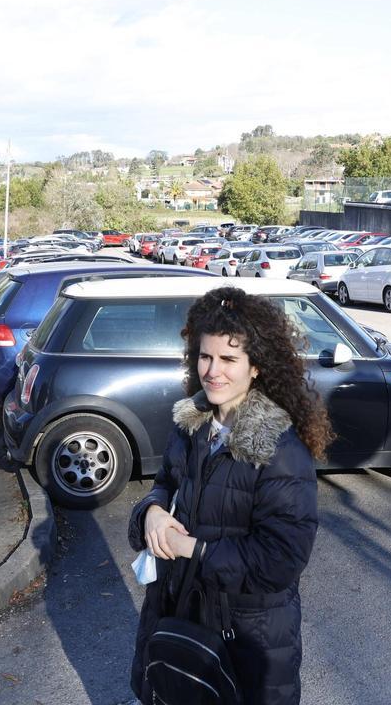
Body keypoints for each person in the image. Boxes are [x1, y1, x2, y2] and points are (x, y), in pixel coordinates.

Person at [128, 285, 332, 705]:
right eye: (205, 356)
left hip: (247, 635)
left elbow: (282, 558)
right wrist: (150, 512)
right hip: (179, 611)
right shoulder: (191, 424)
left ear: (255, 367)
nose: (213, 371)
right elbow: (165, 484)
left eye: (228, 359)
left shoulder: (279, 449)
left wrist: (193, 549)